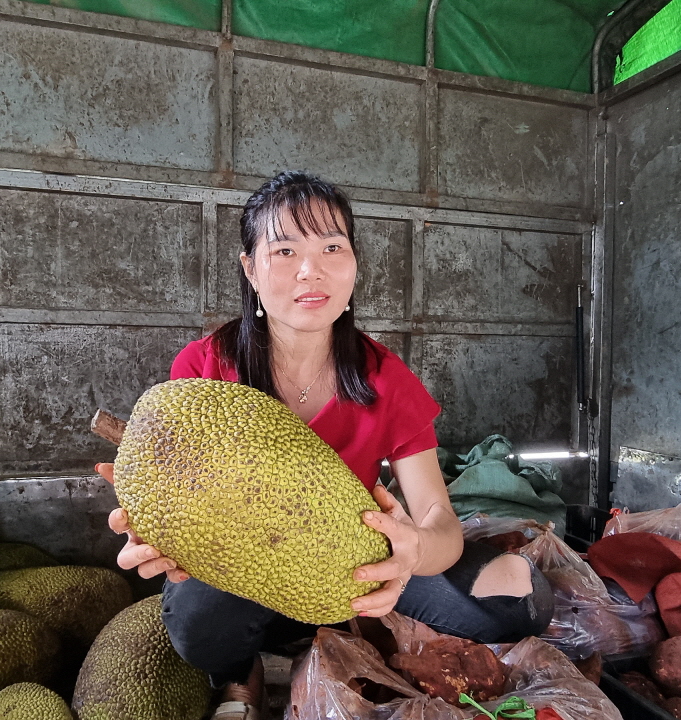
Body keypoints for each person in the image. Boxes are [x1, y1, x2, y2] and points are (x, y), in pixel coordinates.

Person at [95, 171, 553, 720]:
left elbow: (440, 520)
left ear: (354, 262)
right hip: (251, 572)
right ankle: (244, 671)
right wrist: (162, 535)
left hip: (356, 567)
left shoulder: (385, 377)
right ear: (251, 269)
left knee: (520, 600)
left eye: (332, 247)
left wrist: (411, 554)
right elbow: (178, 502)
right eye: (284, 249)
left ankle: (347, 633)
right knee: (198, 623)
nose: (310, 270)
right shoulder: (205, 368)